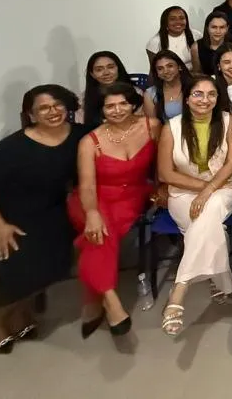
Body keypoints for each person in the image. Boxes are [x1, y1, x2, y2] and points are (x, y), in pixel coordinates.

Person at [0, 85, 83, 353]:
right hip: (9, 214)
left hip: (53, 211)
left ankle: (22, 314)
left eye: (57, 105)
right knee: (22, 264)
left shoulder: (79, 135)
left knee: (58, 262)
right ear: (31, 115)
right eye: (43, 108)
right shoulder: (12, 148)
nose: (53, 111)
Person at [157, 76, 232, 336]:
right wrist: (202, 188)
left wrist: (209, 190)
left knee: (210, 209)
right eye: (198, 94)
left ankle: (179, 289)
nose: (205, 100)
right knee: (211, 224)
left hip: (224, 186)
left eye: (211, 94)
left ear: (218, 98)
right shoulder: (171, 127)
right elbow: (165, 173)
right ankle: (221, 281)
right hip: (183, 191)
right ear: (186, 98)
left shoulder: (228, 120)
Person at [68, 83, 159, 338]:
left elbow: (162, 164)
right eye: (110, 106)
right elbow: (86, 185)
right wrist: (92, 213)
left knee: (97, 239)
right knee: (100, 231)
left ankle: (93, 299)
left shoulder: (152, 126)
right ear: (101, 110)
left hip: (133, 195)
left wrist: (161, 190)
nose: (117, 110)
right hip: (92, 198)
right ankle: (110, 300)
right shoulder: (90, 141)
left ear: (133, 104)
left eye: (123, 104)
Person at [77, 51, 134, 127]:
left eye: (111, 67)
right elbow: (82, 126)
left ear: (118, 69)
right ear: (92, 74)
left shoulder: (135, 92)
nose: (106, 73)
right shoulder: (83, 99)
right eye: (99, 69)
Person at [191, 11, 232, 76]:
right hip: (209, 81)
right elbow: (197, 74)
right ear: (207, 28)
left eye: (222, 27)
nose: (218, 31)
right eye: (214, 27)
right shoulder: (196, 47)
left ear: (227, 28)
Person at [146, 5, 201, 70]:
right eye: (172, 19)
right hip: (168, 75)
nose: (178, 22)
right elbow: (154, 70)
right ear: (165, 22)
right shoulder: (155, 42)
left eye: (181, 18)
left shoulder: (196, 35)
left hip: (194, 74)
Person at [144, 50, 193, 121]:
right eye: (160, 69)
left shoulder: (194, 86)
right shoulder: (150, 94)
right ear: (157, 73)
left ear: (179, 67)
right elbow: (153, 124)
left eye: (170, 66)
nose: (166, 71)